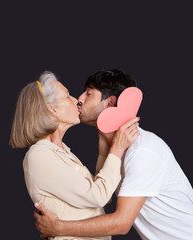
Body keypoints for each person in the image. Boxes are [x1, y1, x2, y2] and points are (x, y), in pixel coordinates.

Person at [34, 69, 193, 240]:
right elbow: (101, 201)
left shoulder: (142, 150)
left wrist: (59, 228)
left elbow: (121, 223)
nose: (79, 99)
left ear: (110, 103)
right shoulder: (117, 149)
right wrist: (105, 143)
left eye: (89, 93)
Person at [9, 71, 140, 240]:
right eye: (67, 96)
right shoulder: (40, 155)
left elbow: (101, 198)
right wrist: (117, 148)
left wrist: (103, 150)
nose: (76, 100)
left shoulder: (63, 151)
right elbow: (98, 197)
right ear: (52, 108)